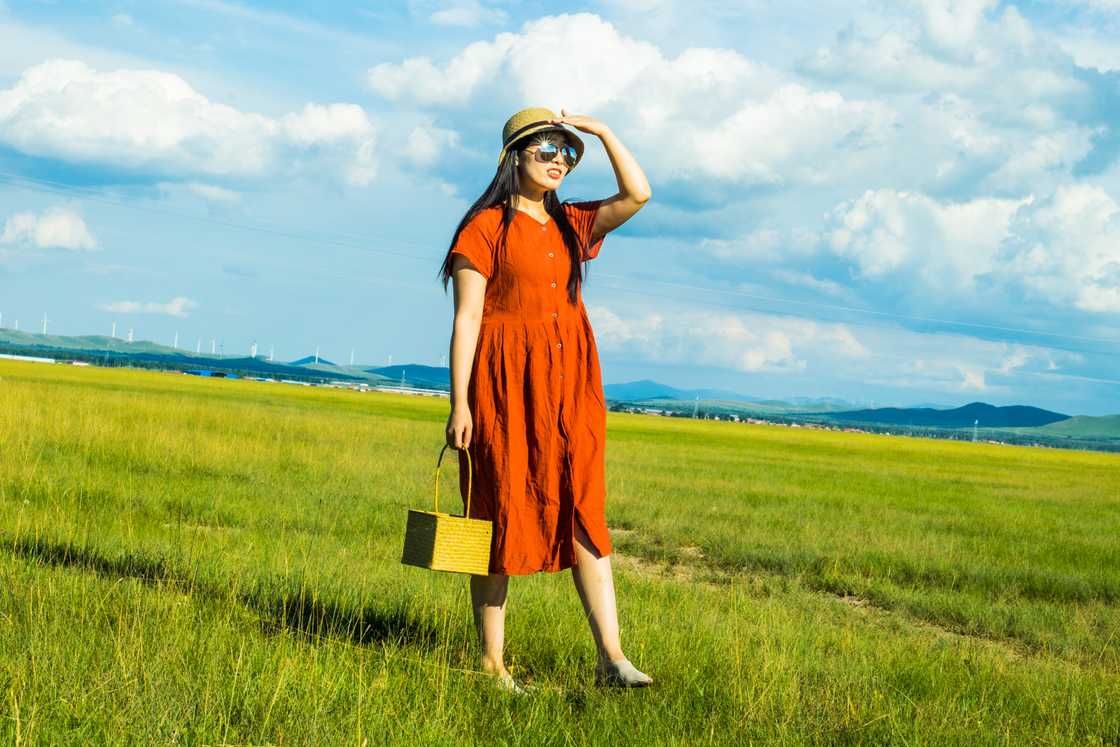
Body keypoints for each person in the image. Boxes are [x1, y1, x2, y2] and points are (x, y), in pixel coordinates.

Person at [437, 106, 652, 693]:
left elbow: (638, 193)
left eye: (567, 152)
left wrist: (603, 132)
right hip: (505, 389)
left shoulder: (572, 223)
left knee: (583, 507)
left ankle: (611, 658)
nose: (560, 159)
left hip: (573, 387)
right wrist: (461, 404)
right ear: (514, 157)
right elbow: (468, 318)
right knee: (497, 516)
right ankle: (491, 664)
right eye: (547, 149)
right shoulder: (483, 228)